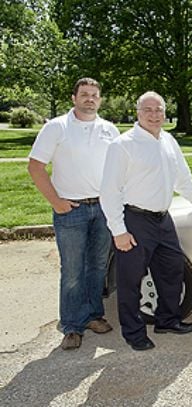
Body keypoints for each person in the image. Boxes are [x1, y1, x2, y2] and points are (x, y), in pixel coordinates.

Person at [100, 91, 192, 351]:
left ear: (165, 112)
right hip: (135, 220)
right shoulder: (123, 145)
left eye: (158, 109)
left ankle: (167, 320)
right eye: (148, 110)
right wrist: (118, 230)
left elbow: (181, 176)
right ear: (137, 113)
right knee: (131, 280)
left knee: (172, 270)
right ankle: (133, 333)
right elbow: (109, 191)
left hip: (163, 219)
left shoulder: (168, 140)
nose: (154, 115)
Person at [28, 78, 120, 350]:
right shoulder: (56, 127)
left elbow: (119, 169)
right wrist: (56, 202)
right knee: (72, 270)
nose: (89, 99)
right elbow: (35, 167)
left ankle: (93, 316)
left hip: (102, 209)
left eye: (94, 95)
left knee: (97, 267)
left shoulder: (110, 130)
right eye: (84, 94)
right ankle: (71, 325)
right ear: (74, 98)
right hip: (71, 210)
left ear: (100, 100)